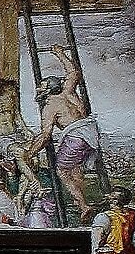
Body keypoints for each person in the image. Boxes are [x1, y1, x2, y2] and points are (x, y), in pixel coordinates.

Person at [27, 47, 100, 219]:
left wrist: (30, 153)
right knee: (75, 170)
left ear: (49, 90)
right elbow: (73, 72)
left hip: (76, 137)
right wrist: (60, 53)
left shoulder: (50, 106)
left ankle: (83, 206)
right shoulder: (68, 91)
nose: (38, 89)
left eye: (42, 87)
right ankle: (81, 200)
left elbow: (45, 136)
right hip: (90, 135)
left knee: (62, 170)